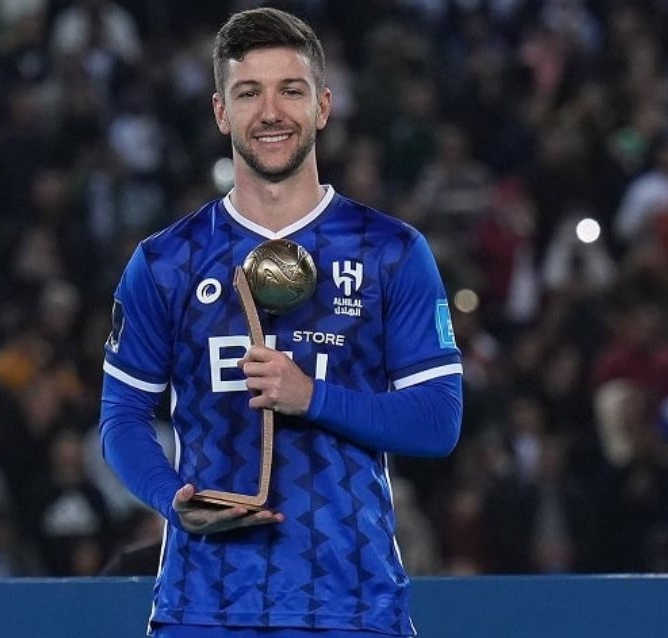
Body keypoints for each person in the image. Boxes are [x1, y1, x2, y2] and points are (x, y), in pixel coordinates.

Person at [99, 8, 463, 637]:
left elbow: (438, 421)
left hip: (352, 609)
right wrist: (170, 498)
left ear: (323, 106)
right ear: (221, 112)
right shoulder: (166, 262)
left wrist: (311, 396)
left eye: (290, 91)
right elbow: (121, 417)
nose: (271, 112)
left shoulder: (390, 252)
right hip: (202, 609)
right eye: (249, 93)